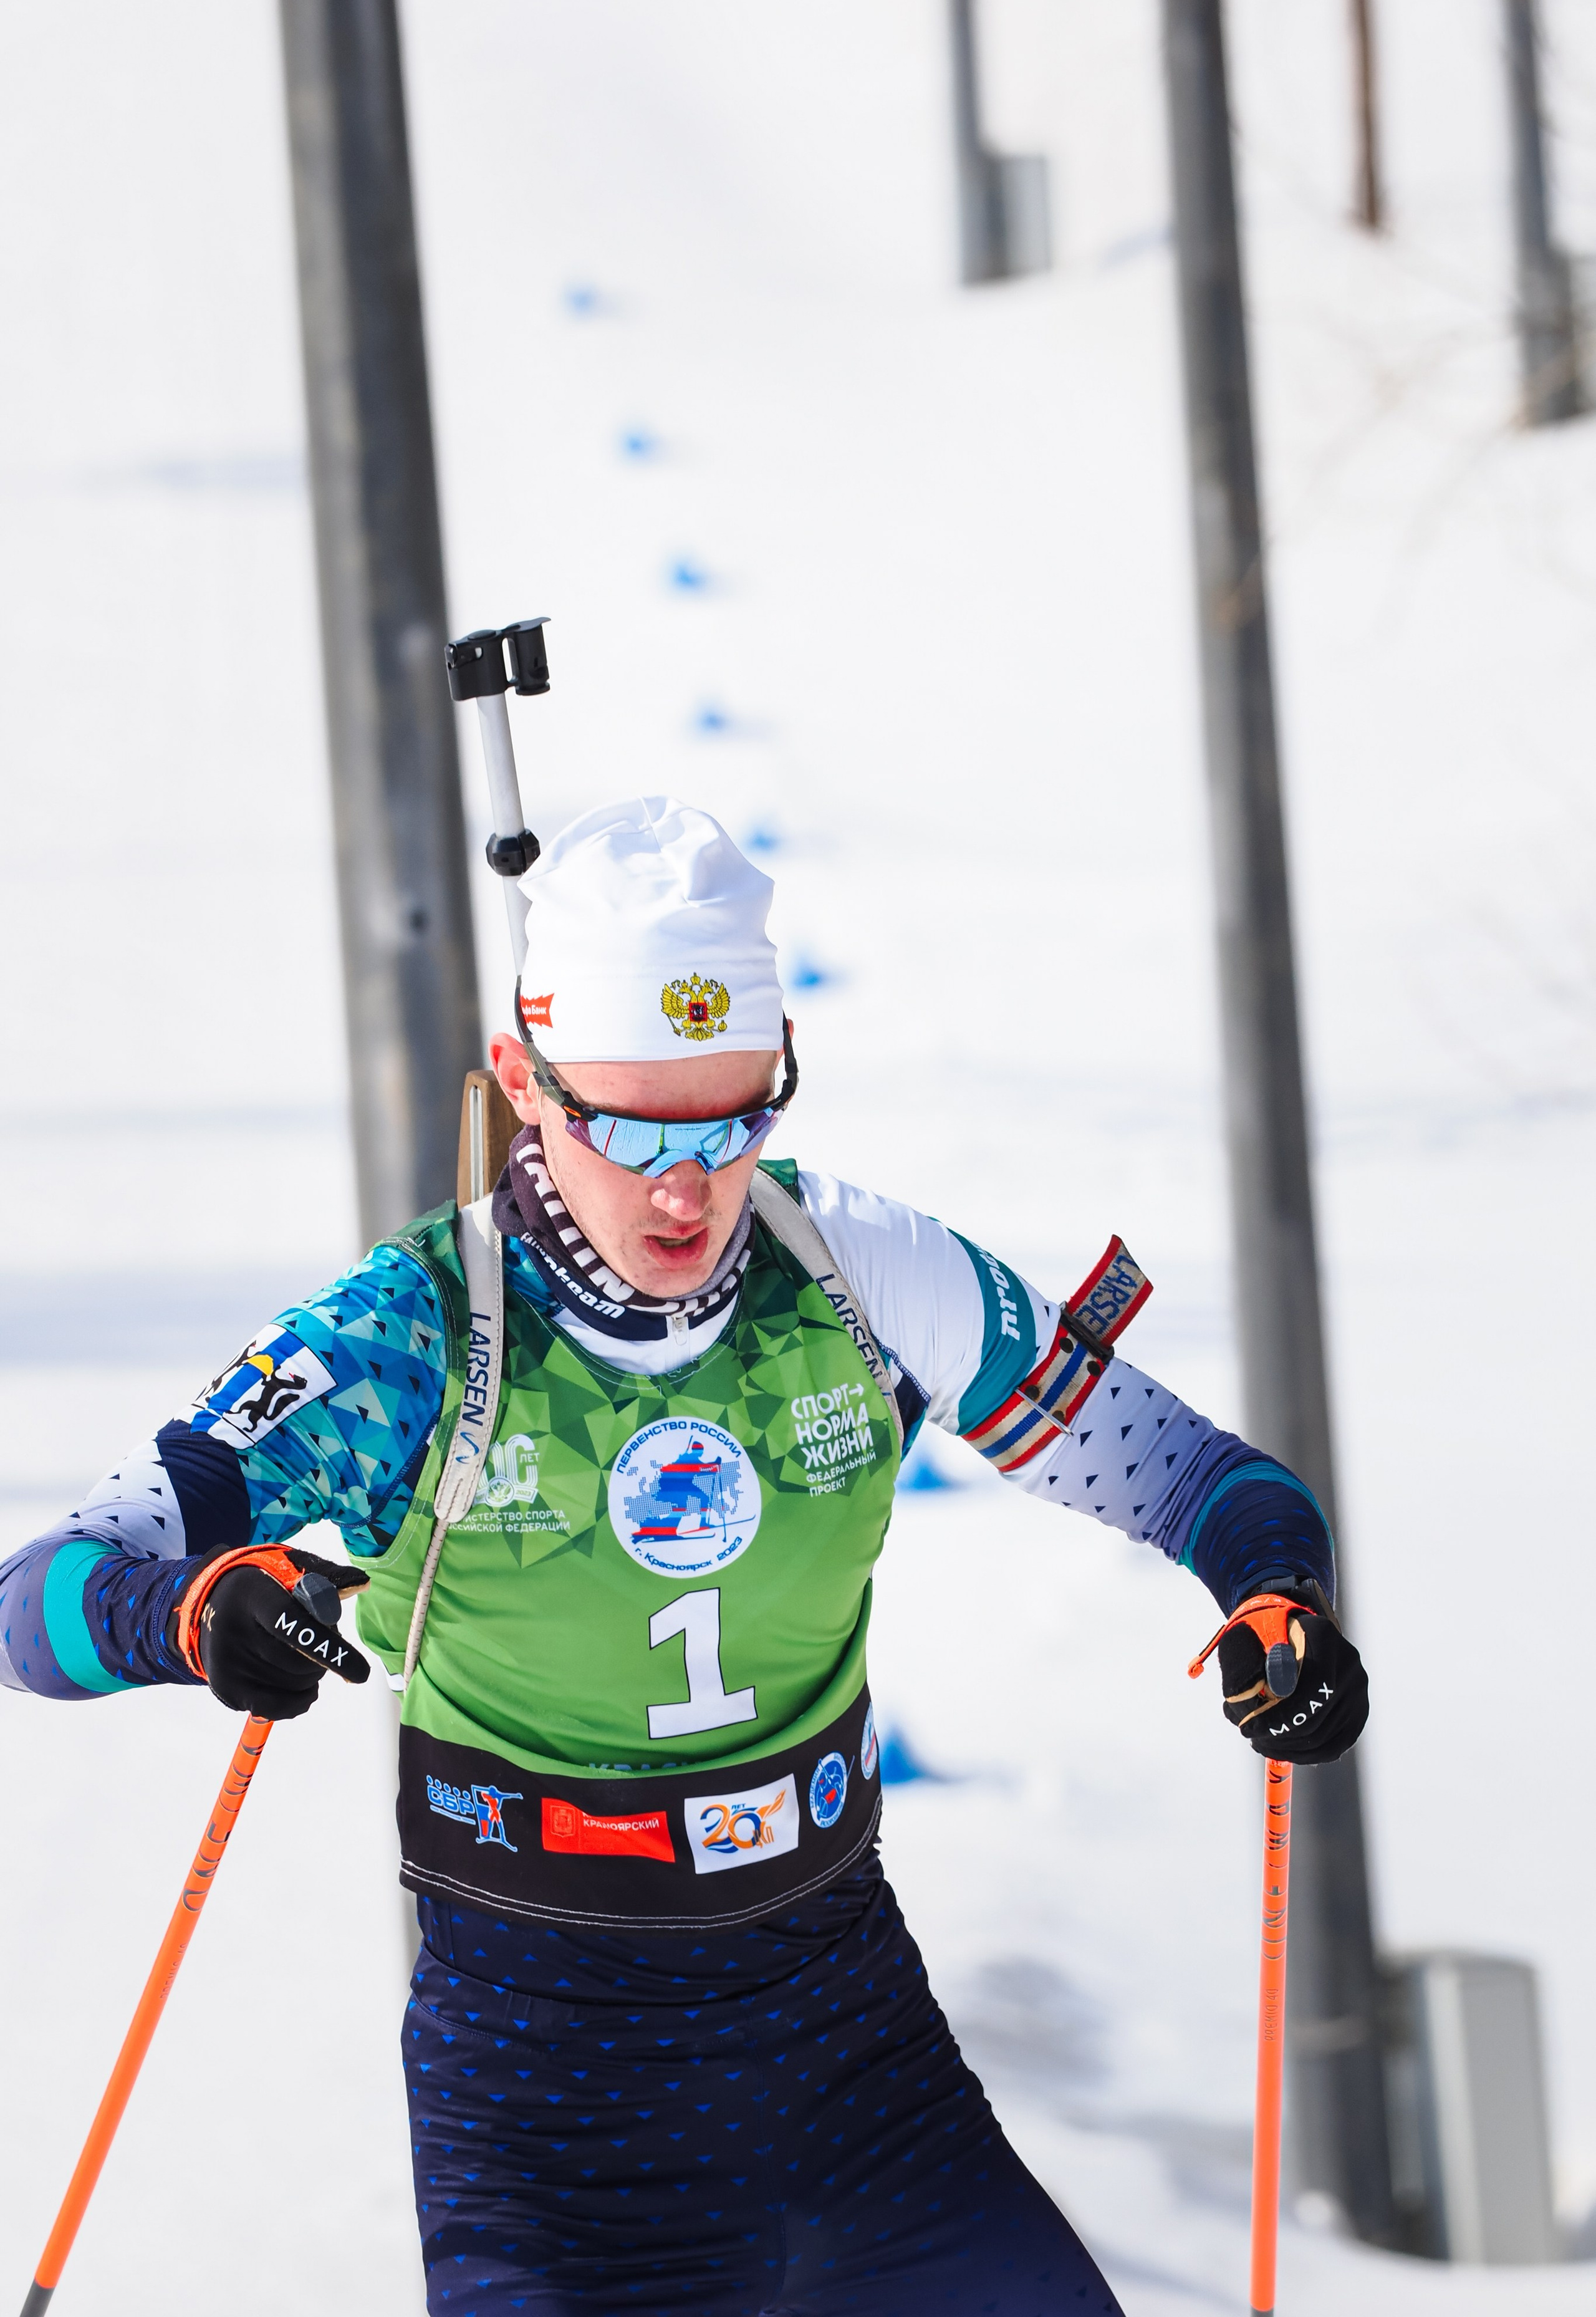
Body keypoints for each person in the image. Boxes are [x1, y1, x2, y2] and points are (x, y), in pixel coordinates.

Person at [1, 797, 1368, 2316]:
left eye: (734, 1122)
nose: (686, 1188)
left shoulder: (859, 1274)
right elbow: (39, 1605)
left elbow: (1199, 1478)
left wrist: (1272, 1598)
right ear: (524, 1083)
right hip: (550, 2109)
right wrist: (191, 1613)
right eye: (634, 1128)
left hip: (853, 2063)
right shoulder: (408, 1338)